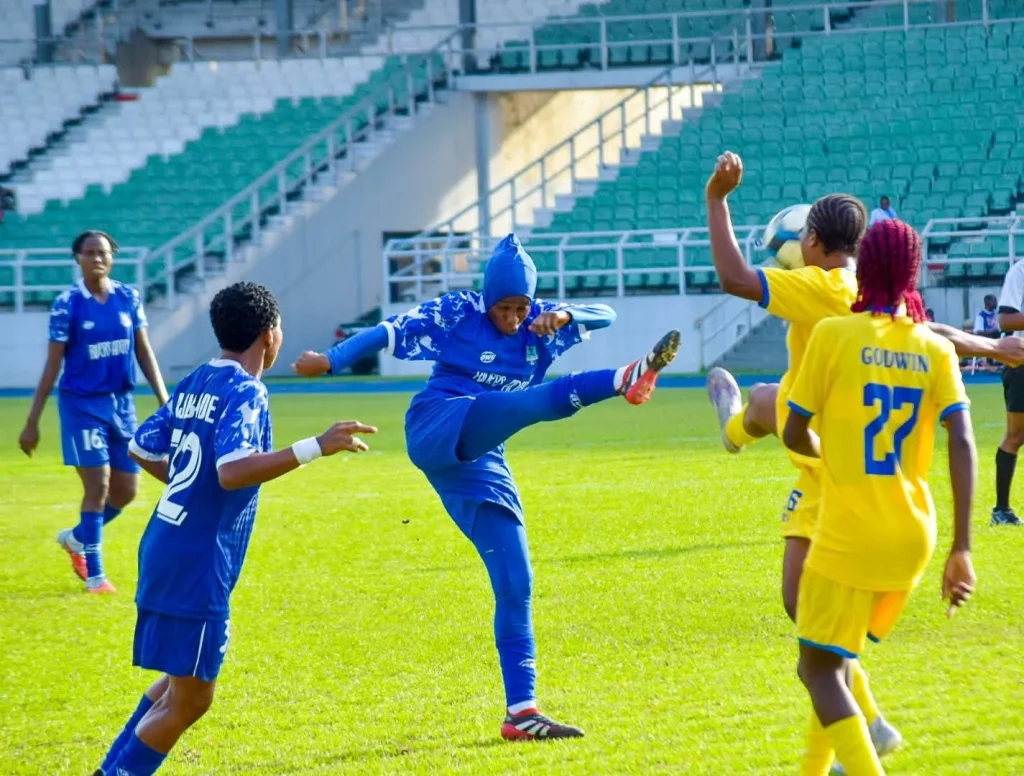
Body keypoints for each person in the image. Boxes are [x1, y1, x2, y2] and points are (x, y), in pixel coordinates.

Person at [701, 151, 1022, 772]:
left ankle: (736, 427)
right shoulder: (892, 309)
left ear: (811, 242)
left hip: (835, 474)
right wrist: (995, 347)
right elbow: (939, 340)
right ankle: (865, 725)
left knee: (816, 649)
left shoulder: (821, 290)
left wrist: (717, 199)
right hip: (899, 509)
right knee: (809, 620)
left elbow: (737, 278)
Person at [292, 233, 680, 740]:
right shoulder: (459, 312)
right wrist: (331, 359)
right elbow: (387, 333)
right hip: (437, 423)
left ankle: (521, 711)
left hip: (479, 457)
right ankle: (624, 379)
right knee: (532, 403)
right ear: (487, 298)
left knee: (516, 579)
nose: (515, 317)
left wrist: (563, 316)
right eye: (505, 307)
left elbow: (604, 313)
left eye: (523, 306)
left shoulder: (543, 320)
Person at [93, 282, 378, 776]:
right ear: (270, 335)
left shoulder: (199, 378)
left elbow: (143, 447)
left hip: (165, 544)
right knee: (192, 701)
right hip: (198, 562)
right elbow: (231, 469)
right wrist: (315, 446)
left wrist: (189, 484)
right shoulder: (247, 389)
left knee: (175, 684)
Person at [781, 218, 976, 776]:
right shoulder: (932, 347)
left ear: (862, 269)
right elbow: (961, 439)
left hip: (850, 533)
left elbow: (794, 431)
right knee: (835, 659)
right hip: (914, 537)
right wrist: (962, 548)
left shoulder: (834, 335)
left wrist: (828, 452)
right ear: (913, 274)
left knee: (816, 670)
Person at [18, 230, 169, 593]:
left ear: (112, 257)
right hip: (82, 405)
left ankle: (76, 538)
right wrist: (32, 422)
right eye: (89, 253)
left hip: (122, 405)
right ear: (78, 259)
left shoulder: (128, 297)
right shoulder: (68, 304)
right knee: (98, 485)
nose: (97, 258)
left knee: (126, 491)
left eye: (102, 252)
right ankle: (97, 576)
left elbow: (143, 351)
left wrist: (166, 401)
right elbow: (53, 365)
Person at [991, 259, 1024, 524]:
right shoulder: (1020, 271)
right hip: (1021, 361)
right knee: (1016, 434)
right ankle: (1001, 510)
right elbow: (1005, 319)